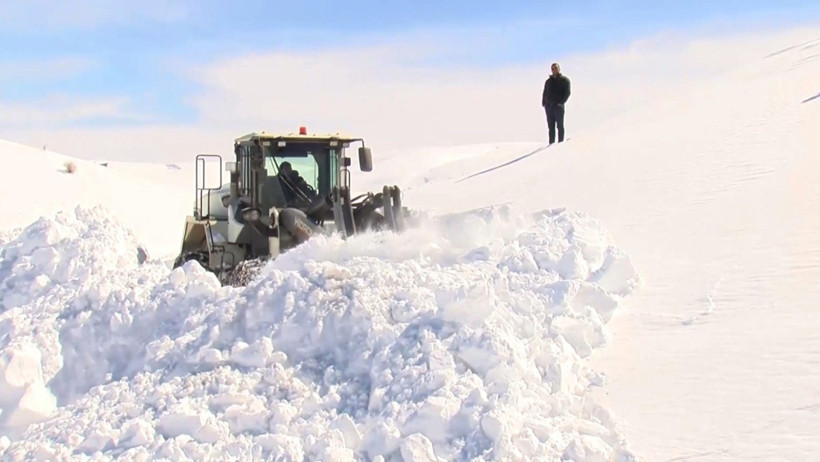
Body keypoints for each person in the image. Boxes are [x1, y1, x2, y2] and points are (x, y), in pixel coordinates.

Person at [541, 62, 571, 144]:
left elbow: (567, 92)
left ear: (559, 69)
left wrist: (561, 102)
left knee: (560, 125)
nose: (554, 70)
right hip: (549, 107)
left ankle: (560, 143)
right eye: (553, 69)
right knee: (551, 126)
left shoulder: (564, 80)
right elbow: (545, 92)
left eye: (556, 68)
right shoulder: (548, 82)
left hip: (558, 107)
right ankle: (551, 143)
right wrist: (544, 103)